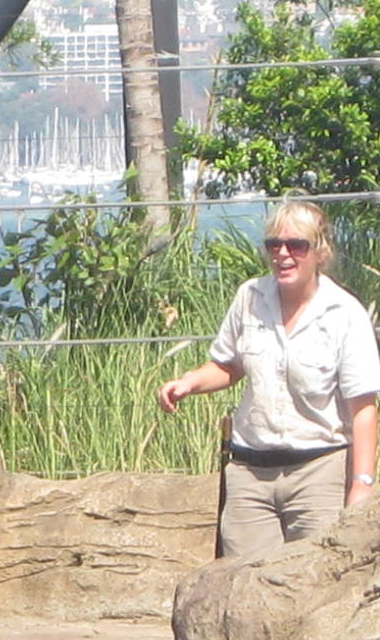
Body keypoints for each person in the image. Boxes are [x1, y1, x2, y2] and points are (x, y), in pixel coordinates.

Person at [159, 200, 380, 560]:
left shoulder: (345, 313)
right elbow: (229, 365)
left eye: (296, 245)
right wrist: (189, 383)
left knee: (312, 579)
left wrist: (362, 484)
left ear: (320, 251)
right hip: (250, 470)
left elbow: (363, 409)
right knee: (240, 580)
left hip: (319, 471)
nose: (283, 254)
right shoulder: (249, 297)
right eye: (274, 244)